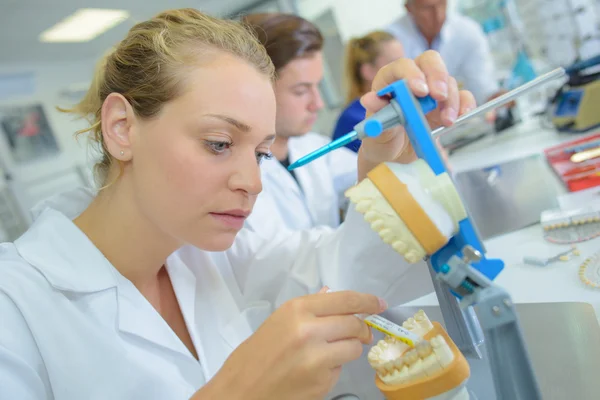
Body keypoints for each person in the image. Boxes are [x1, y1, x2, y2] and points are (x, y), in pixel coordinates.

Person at [0, 8, 476, 400]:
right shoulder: (16, 308)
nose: (253, 182)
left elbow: (343, 272)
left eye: (262, 153)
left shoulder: (207, 250)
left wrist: (390, 162)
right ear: (122, 128)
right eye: (219, 143)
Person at [240, 13, 359, 236]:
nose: (318, 104)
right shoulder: (237, 177)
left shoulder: (314, 146)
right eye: (301, 91)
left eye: (317, 87)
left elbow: (369, 177)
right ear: (256, 91)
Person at [387, 0, 508, 106]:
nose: (438, 14)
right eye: (427, 8)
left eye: (442, 3)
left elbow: (483, 88)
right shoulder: (389, 42)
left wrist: (497, 98)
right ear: (409, 8)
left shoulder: (468, 32)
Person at [332, 31, 405, 153]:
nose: (405, 71)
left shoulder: (393, 105)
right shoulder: (354, 120)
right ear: (368, 71)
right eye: (395, 64)